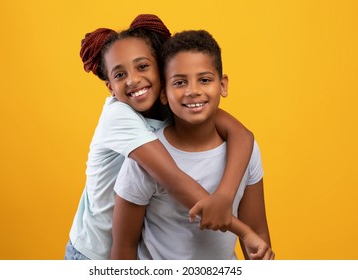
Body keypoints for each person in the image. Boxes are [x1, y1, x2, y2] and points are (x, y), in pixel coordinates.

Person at [65, 15, 255, 260]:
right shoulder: (118, 115)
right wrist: (244, 231)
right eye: (120, 75)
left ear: (161, 70)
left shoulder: (175, 103)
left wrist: (225, 195)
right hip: (93, 254)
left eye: (142, 66)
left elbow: (242, 134)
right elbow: (172, 178)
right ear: (111, 87)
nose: (133, 80)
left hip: (137, 249)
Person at [111, 30, 274, 260]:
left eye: (205, 80)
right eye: (179, 82)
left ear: (223, 85)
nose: (193, 91)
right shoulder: (145, 158)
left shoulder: (246, 150)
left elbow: (257, 231)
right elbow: (124, 247)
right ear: (164, 93)